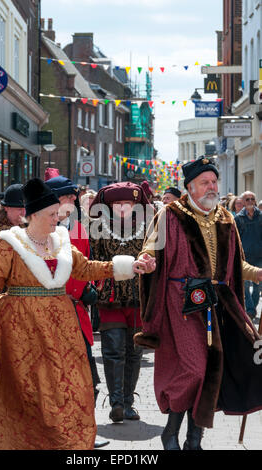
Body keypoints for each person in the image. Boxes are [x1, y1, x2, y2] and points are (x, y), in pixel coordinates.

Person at [0, 177, 150, 450]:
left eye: (56, 214)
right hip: (19, 329)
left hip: (61, 329)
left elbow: (86, 269)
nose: (57, 219)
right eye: (51, 214)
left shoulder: (61, 241)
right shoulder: (10, 244)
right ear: (34, 215)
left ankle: (61, 440)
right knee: (28, 389)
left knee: (67, 386)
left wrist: (129, 266)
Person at [134, 156, 262, 451]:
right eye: (205, 182)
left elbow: (235, 264)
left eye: (214, 181)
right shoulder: (170, 215)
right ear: (189, 187)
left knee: (213, 369)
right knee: (194, 369)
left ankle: (194, 440)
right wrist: (146, 261)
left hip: (217, 305)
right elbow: (151, 249)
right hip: (180, 304)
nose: (212, 187)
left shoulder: (226, 218)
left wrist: (256, 274)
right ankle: (170, 432)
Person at [45, 174, 108, 448]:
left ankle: (82, 435)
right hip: (49, 317)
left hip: (77, 314)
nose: (71, 201)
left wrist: (91, 286)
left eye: (72, 197)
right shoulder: (38, 231)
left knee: (88, 380)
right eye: (65, 197)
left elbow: (88, 264)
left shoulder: (80, 230)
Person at [89, 182, 152, 423]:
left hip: (138, 297)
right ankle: (116, 402)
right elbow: (90, 257)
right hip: (110, 296)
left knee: (134, 351)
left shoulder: (149, 226)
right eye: (117, 204)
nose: (123, 208)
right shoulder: (97, 226)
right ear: (108, 205)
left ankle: (128, 403)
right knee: (113, 349)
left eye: (128, 203)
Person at [235, 191, 262, 320]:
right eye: (247, 199)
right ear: (243, 202)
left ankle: (252, 308)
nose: (250, 201)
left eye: (252, 199)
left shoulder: (261, 216)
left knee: (257, 287)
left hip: (259, 256)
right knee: (245, 286)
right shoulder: (238, 218)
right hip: (244, 257)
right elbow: (235, 238)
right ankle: (251, 310)